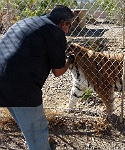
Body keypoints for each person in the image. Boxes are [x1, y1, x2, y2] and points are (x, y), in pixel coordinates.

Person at [0, 5, 75, 150]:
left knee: (30, 126)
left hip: (2, 79)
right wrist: (70, 60)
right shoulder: (55, 31)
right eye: (69, 26)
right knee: (37, 130)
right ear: (63, 23)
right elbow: (58, 71)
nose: (68, 30)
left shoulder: (27, 22)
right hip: (21, 88)